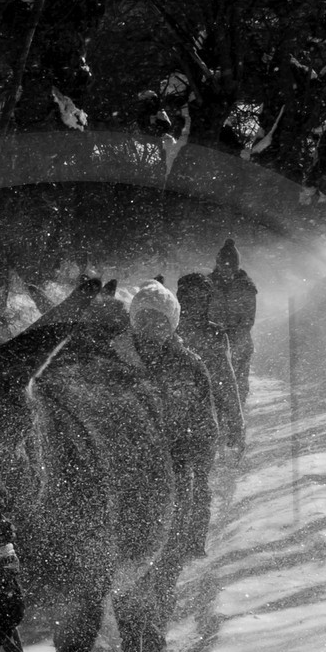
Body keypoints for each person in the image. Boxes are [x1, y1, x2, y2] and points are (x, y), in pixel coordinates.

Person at [127, 279, 219, 564]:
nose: (151, 327)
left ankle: (172, 568)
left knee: (170, 546)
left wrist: (197, 459)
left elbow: (205, 422)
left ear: (172, 323)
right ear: (133, 320)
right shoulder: (116, 361)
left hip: (175, 466)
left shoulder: (188, 365)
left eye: (159, 320)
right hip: (128, 469)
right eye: (144, 318)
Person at [176, 270, 244, 450]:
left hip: (205, 419)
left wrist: (237, 423)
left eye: (201, 298)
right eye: (190, 298)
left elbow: (227, 382)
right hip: (172, 421)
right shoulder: (165, 333)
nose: (196, 304)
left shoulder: (215, 334)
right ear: (180, 300)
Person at [207, 238, 258, 406]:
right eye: (224, 266)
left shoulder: (246, 287)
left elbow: (248, 319)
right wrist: (216, 331)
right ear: (218, 264)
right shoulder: (207, 285)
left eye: (231, 267)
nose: (227, 271)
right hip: (214, 343)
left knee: (238, 386)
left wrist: (232, 332)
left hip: (239, 344)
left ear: (236, 267)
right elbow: (202, 312)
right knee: (214, 388)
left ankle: (238, 418)